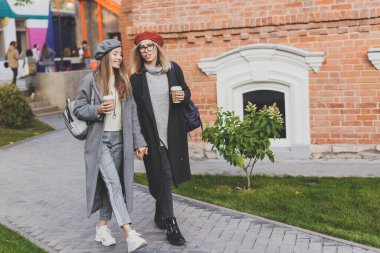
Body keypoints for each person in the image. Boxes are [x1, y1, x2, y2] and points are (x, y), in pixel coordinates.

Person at [73, 39, 148, 252]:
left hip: (120, 141)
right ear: (105, 56)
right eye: (115, 54)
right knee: (114, 184)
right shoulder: (91, 80)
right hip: (100, 142)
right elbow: (78, 108)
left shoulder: (124, 80)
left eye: (120, 54)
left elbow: (132, 116)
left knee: (111, 186)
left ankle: (102, 227)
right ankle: (130, 234)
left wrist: (139, 142)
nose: (119, 57)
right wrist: (97, 109)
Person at [129, 31, 190, 246]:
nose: (146, 51)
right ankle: (171, 224)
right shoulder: (136, 79)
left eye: (150, 46)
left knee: (168, 174)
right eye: (142, 48)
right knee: (162, 174)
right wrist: (139, 140)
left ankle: (159, 212)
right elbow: (133, 112)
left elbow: (186, 93)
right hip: (151, 137)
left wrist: (183, 96)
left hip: (173, 133)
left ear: (158, 48)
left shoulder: (173, 70)